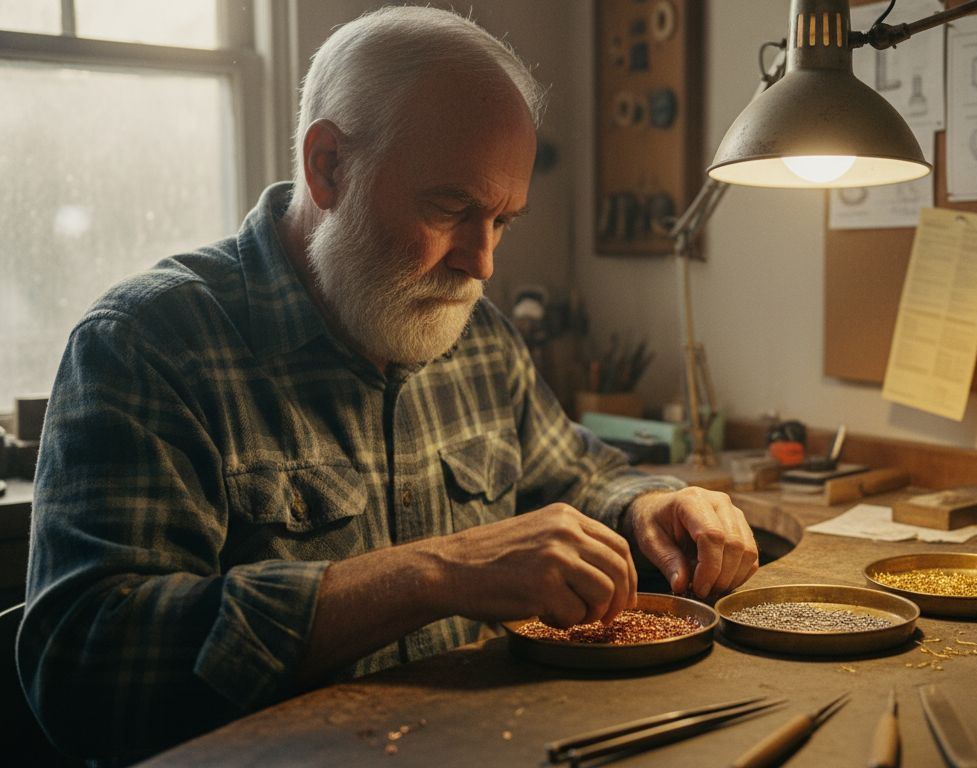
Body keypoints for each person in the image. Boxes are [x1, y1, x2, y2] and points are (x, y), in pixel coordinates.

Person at [18, 7, 758, 764]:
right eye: (453, 208)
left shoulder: (476, 334)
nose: (482, 263)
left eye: (502, 221)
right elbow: (85, 672)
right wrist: (435, 575)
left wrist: (654, 504)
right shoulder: (148, 345)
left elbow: (577, 475)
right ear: (329, 166)